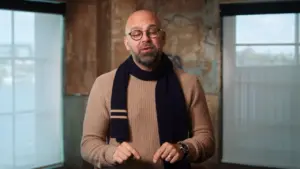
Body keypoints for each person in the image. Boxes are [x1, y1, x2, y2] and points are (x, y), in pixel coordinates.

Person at [80, 9, 215, 169]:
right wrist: (111, 153)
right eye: (136, 33)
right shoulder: (104, 84)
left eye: (152, 31)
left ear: (163, 38)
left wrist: (183, 148)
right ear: (126, 43)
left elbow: (207, 140)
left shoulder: (189, 83)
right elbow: (88, 144)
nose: (145, 38)